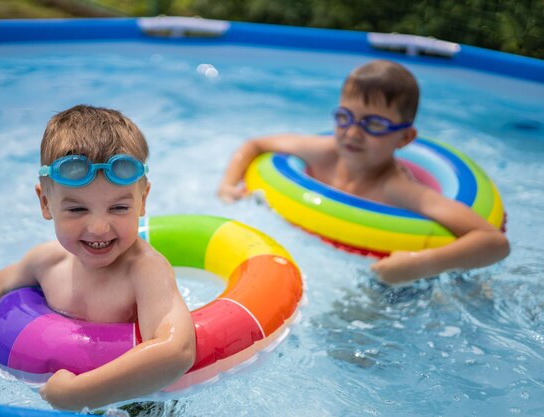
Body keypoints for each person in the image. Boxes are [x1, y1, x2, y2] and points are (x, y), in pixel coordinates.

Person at [0, 105, 196, 410]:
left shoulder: (145, 271)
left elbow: (177, 350)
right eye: (77, 209)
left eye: (119, 208)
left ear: (142, 200)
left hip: (134, 402)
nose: (98, 227)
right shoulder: (46, 262)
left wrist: (77, 394)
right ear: (45, 203)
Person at [217, 60, 509, 285]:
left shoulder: (397, 189)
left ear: (404, 138)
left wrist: (421, 264)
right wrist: (228, 185)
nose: (353, 133)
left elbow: (494, 242)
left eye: (374, 125)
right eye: (345, 118)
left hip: (394, 278)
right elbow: (255, 144)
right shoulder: (323, 151)